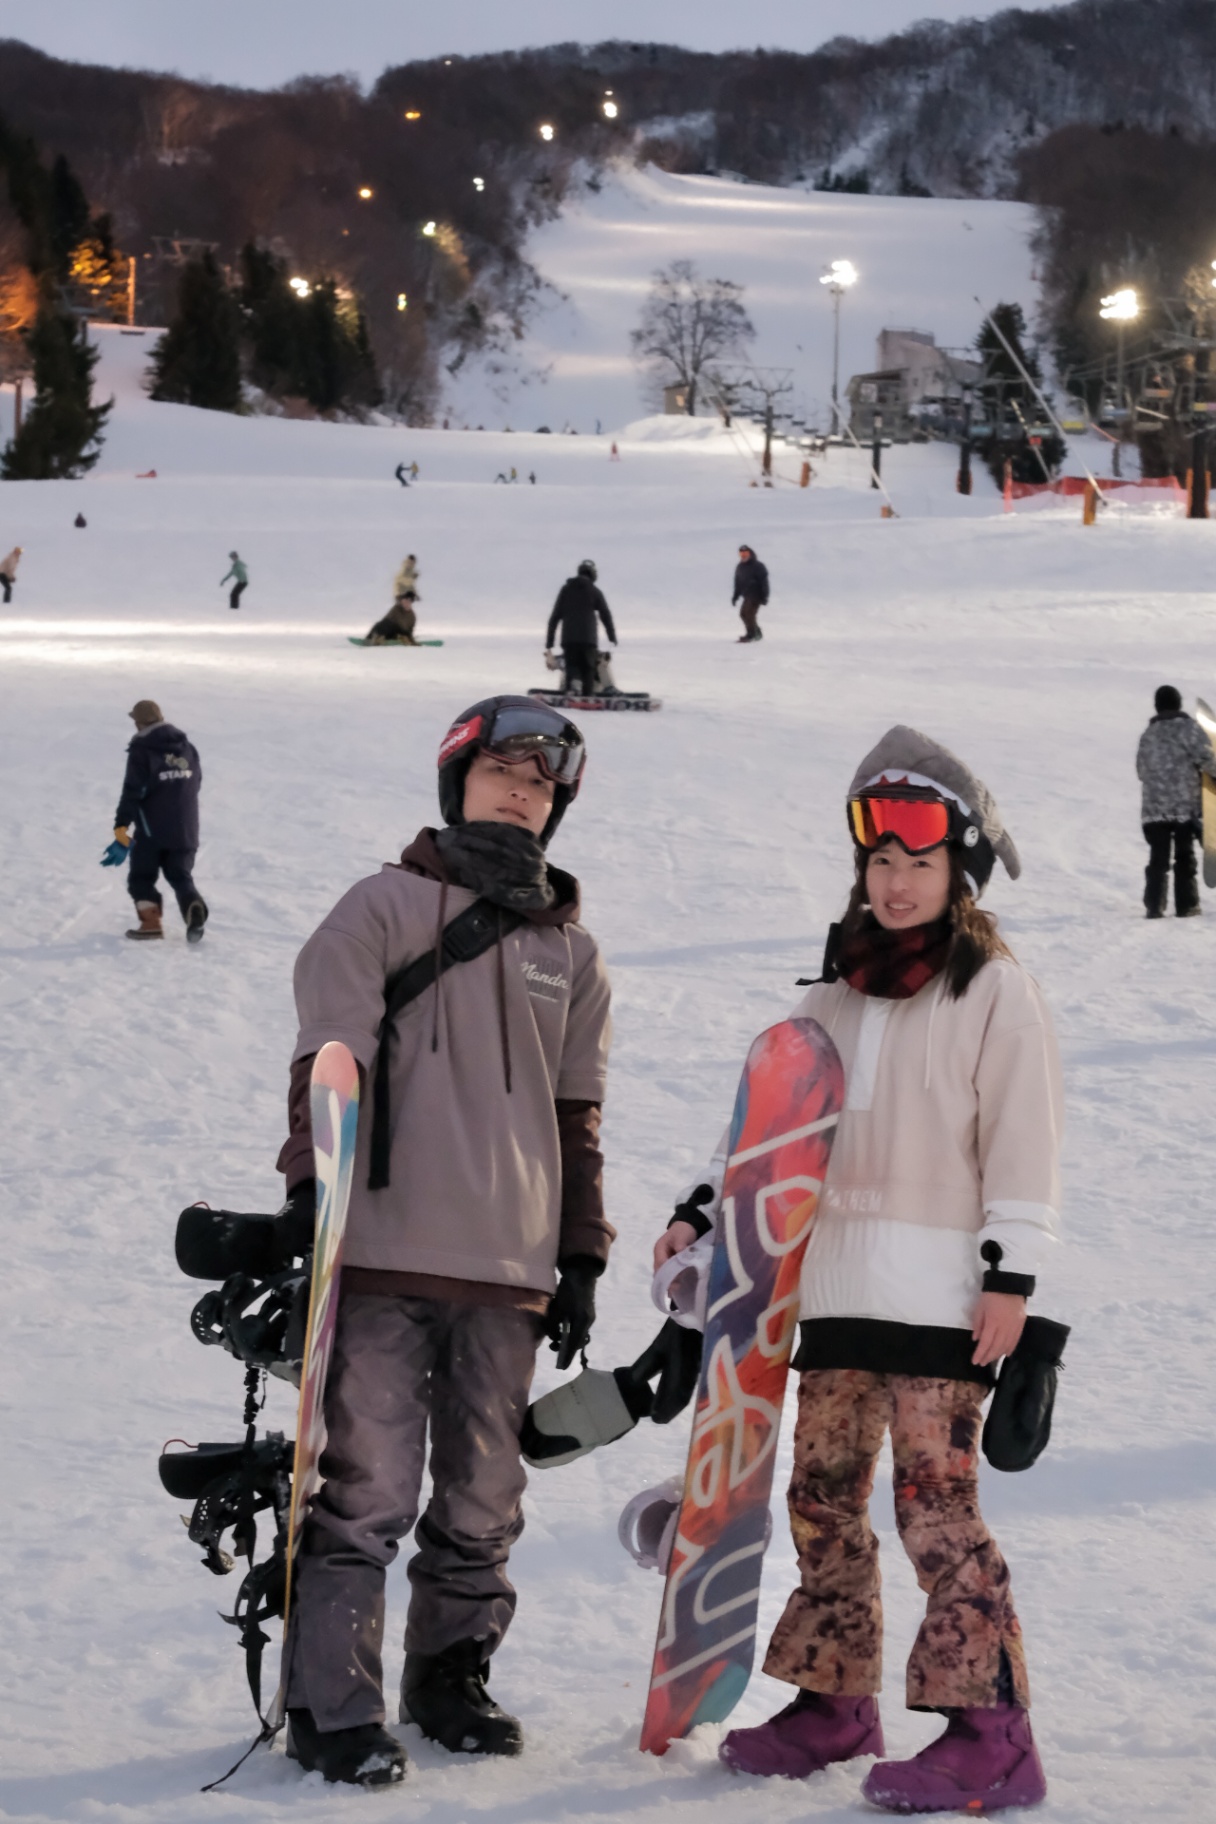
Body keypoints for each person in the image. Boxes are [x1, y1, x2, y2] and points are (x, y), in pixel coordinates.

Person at [654, 725, 1061, 1815]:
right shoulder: (826, 999)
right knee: (822, 1500)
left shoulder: (991, 991)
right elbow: (760, 1132)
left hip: (940, 1301)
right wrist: (700, 1216)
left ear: (959, 871)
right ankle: (834, 1702)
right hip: (829, 1296)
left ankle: (992, 1734)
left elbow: (1024, 1141)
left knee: (937, 1512)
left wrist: (1011, 1275)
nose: (895, 881)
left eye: (919, 861)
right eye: (880, 860)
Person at [275, 696, 614, 1787]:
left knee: (482, 1498)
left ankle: (449, 1680)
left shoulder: (574, 953)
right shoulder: (380, 905)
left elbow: (576, 1117)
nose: (521, 791)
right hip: (383, 1250)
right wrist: (309, 1190)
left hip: (510, 1268)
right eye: (502, 771)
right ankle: (332, 1709)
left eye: (541, 783)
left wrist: (581, 1255)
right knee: (367, 1491)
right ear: (457, 780)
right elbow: (329, 1054)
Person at [105, 700, 207, 943]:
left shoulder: (142, 750)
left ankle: (150, 924)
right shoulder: (187, 747)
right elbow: (196, 783)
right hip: (186, 829)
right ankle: (193, 905)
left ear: (139, 723)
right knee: (180, 875)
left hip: (152, 832)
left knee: (141, 877)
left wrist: (121, 826)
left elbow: (133, 791)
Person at [1136, 683, 1215, 918]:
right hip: (1183, 808)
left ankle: (1154, 905)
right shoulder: (1189, 729)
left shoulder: (1148, 735)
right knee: (1184, 855)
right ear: (1179, 704)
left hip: (1154, 810)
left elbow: (1141, 770)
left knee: (1158, 858)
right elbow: (1206, 758)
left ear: (1157, 706)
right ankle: (1187, 905)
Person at [545, 559, 617, 695]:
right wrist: (612, 638)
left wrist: (549, 643)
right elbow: (606, 616)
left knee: (572, 666)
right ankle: (587, 694)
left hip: (569, 639)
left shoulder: (565, 590)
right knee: (588, 668)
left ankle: (574, 686)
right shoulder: (595, 591)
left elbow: (554, 617)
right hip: (589, 640)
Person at [732, 543, 769, 642]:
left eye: (746, 553)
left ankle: (751, 635)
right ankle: (756, 632)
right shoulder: (740, 567)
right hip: (747, 595)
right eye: (742, 553)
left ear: (750, 554)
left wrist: (765, 596)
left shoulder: (758, 566)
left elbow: (764, 582)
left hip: (756, 595)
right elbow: (738, 583)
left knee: (749, 614)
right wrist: (735, 596)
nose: (744, 555)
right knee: (743, 614)